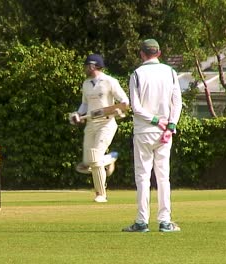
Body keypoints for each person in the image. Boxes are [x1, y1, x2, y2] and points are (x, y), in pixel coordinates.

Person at [122, 39, 182, 232]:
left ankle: (142, 222)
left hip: (144, 131)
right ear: (159, 52)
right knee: (163, 177)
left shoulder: (137, 74)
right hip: (164, 132)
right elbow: (177, 103)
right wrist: (170, 125)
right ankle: (165, 221)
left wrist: (157, 121)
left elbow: (137, 108)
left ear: (142, 54)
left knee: (143, 176)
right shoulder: (170, 73)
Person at [69, 54, 129, 203]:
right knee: (86, 164)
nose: (84, 69)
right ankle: (110, 158)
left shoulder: (110, 81)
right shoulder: (86, 83)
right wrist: (77, 114)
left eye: (86, 66)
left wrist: (119, 110)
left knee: (95, 159)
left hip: (106, 123)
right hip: (91, 123)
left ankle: (101, 194)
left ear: (93, 66)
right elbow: (85, 104)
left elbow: (124, 101)